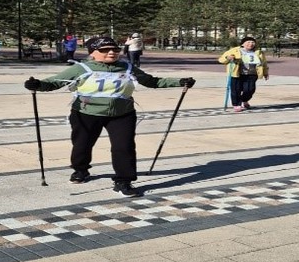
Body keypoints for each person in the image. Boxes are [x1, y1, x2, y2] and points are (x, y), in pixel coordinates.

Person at [24, 35, 195, 197]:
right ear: (92, 52)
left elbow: (152, 81)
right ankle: (80, 170)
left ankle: (123, 181)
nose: (112, 52)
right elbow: (54, 83)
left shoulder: (127, 67)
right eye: (105, 50)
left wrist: (180, 82)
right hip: (86, 113)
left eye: (115, 49)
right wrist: (37, 85)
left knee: (124, 147)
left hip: (122, 114)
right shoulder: (81, 68)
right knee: (82, 145)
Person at [218, 36, 269, 112]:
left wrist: (265, 73)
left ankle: (244, 100)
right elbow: (221, 59)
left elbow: (264, 63)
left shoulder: (258, 52)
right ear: (243, 44)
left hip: (252, 73)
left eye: (253, 42)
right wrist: (228, 58)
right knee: (236, 90)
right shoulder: (235, 50)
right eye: (248, 42)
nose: (251, 44)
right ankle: (236, 104)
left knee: (250, 90)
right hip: (236, 73)